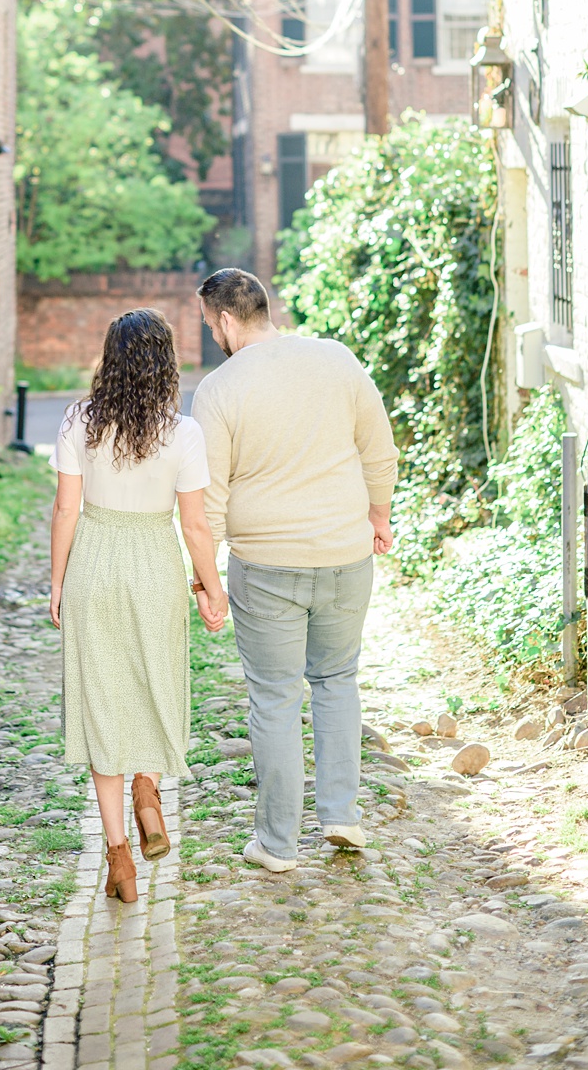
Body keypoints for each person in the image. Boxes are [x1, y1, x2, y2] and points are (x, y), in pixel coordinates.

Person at [193, 267, 399, 874]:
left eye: (211, 326)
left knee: (275, 699)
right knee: (337, 681)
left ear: (227, 320)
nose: (213, 338)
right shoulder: (336, 359)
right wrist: (378, 516)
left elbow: (208, 500)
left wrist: (207, 577)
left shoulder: (218, 389)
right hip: (344, 554)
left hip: (266, 565)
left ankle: (279, 846)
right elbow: (378, 448)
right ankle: (341, 816)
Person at [48, 308, 228, 905]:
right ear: (167, 364)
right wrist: (212, 588)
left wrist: (57, 582)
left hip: (94, 564)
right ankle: (148, 791)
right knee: (155, 682)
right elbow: (196, 526)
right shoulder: (183, 433)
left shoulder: (80, 420)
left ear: (110, 359)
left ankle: (119, 858)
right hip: (154, 563)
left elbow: (66, 511)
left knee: (102, 702)